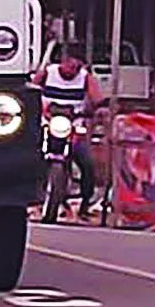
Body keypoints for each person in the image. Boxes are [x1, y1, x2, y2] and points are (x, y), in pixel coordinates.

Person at [32, 42, 103, 219]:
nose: (73, 69)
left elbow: (97, 98)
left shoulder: (86, 78)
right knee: (27, 154)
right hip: (47, 123)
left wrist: (98, 108)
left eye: (78, 66)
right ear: (64, 61)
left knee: (87, 164)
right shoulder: (49, 73)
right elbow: (30, 90)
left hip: (72, 126)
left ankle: (85, 203)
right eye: (71, 64)